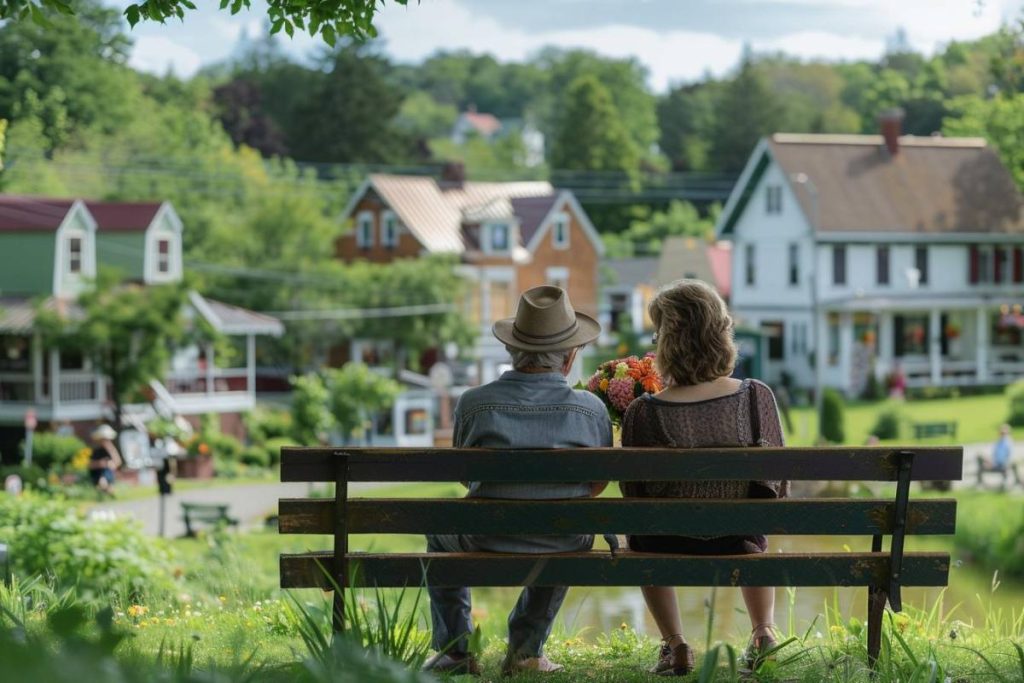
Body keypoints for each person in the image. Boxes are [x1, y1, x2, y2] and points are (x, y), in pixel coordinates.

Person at [422, 286, 612, 677]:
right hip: (564, 540)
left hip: (484, 536)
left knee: (439, 528)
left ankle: (456, 650)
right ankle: (526, 651)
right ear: (570, 356)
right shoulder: (591, 409)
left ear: (513, 348)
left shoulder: (474, 402)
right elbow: (598, 483)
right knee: (566, 526)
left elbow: (464, 475)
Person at [620, 279, 788, 676]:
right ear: (720, 333)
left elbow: (633, 497)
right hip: (739, 538)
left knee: (641, 533)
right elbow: (777, 486)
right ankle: (763, 632)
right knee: (755, 521)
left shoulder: (642, 412)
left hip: (663, 540)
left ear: (666, 341)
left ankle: (675, 643)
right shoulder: (755, 396)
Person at [976, 424, 1019, 489]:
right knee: (979, 456)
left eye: (1003, 432)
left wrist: (994, 463)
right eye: (1000, 432)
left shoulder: (1007, 443)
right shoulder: (999, 442)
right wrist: (990, 461)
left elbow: (1006, 457)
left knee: (982, 459)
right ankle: (980, 481)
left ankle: (980, 481)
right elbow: (995, 455)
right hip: (996, 463)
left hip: (1000, 464)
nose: (1001, 433)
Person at [88, 424, 122, 497]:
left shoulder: (111, 450)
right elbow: (90, 464)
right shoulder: (96, 450)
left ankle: (108, 492)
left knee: (105, 481)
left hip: (108, 472)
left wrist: (110, 463)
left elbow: (118, 462)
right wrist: (100, 463)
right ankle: (108, 492)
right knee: (103, 482)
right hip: (98, 473)